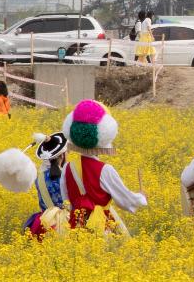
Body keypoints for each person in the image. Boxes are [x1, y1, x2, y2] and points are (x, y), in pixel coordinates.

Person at [61, 99, 147, 232]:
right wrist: (141, 198)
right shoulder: (105, 170)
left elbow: (66, 199)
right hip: (102, 227)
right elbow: (125, 200)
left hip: (75, 226)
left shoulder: (67, 168)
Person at [25, 132, 70, 238]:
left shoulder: (39, 177)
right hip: (64, 221)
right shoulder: (65, 175)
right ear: (62, 155)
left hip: (44, 221)